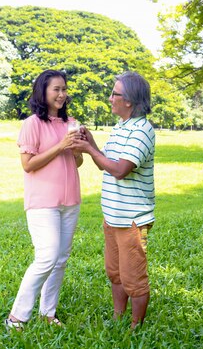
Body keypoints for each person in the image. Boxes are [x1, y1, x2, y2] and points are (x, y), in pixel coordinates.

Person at [72, 71, 155, 329]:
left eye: (114, 94)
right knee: (115, 273)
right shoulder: (120, 127)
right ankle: (119, 317)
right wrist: (91, 141)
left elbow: (120, 170)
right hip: (112, 217)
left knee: (134, 278)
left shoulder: (142, 130)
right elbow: (104, 161)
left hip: (131, 220)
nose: (110, 98)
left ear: (129, 100)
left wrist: (88, 149)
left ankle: (135, 327)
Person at [5, 69, 84, 330]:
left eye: (64, 89)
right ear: (44, 92)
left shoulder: (70, 122)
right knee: (47, 257)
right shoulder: (32, 124)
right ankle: (17, 315)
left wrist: (76, 148)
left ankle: (48, 313)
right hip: (43, 201)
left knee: (61, 259)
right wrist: (61, 146)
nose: (62, 94)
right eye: (56, 89)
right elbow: (28, 165)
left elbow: (79, 162)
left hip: (70, 199)